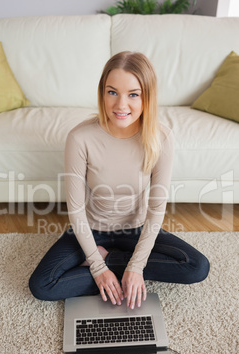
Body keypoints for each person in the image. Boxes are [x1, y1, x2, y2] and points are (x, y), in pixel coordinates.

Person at [29, 51, 209, 309]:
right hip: (91, 230)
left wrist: (134, 266)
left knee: (197, 267)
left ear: (147, 96)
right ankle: (109, 266)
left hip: (135, 229)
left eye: (133, 94)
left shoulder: (161, 137)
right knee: (42, 285)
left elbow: (156, 209)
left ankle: (118, 264)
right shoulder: (80, 138)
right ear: (102, 92)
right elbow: (76, 211)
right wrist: (97, 266)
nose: (121, 105)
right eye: (112, 92)